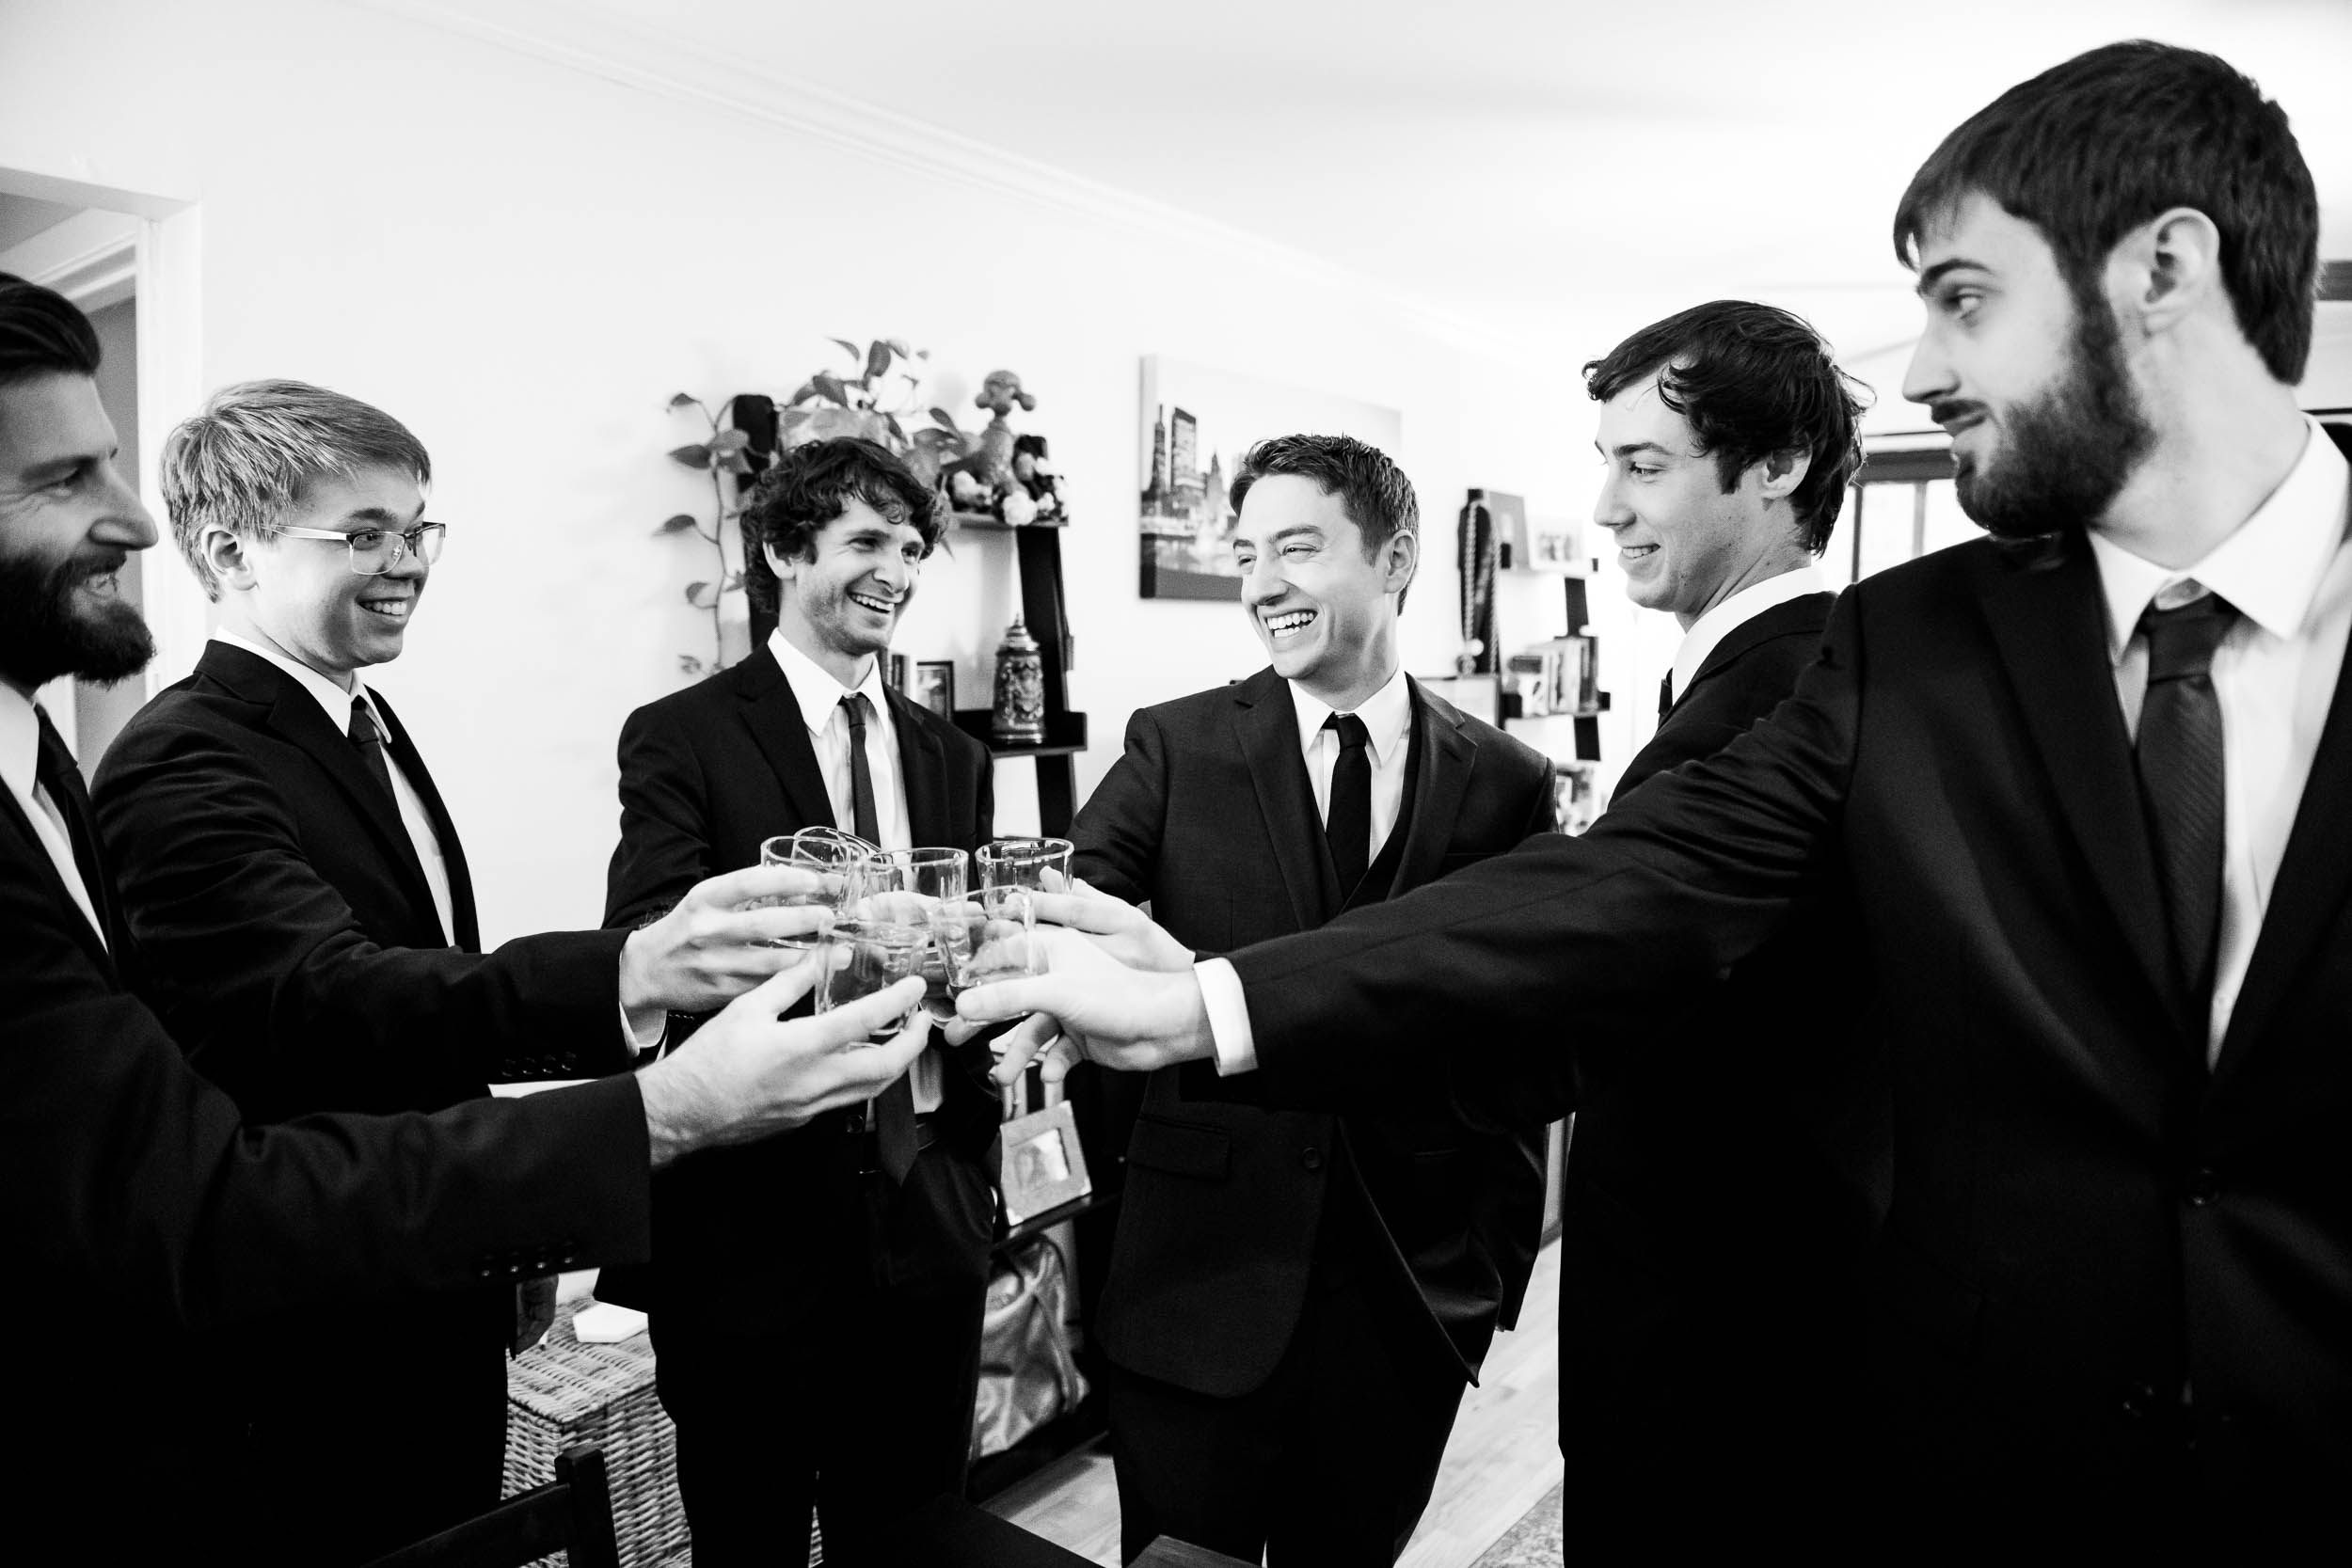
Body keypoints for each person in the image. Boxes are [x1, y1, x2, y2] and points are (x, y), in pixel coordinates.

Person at [965, 41, 2350, 1532]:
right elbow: (1634, 887)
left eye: (1964, 298)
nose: (1926, 370)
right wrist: (1203, 1000)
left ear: (2166, 269)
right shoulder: (1921, 640)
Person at [0, 272, 929, 1558]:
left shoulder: (364, 720)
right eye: (364, 533)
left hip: (435, 1274)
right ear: (229, 552)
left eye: (419, 530)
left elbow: (418, 1004)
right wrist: (640, 982)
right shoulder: (181, 759)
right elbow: (337, 995)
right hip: (318, 1329)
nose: (404, 567)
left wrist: (512, 1242)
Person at [1066, 434, 1554, 1564]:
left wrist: (1486, 1270)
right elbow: (1076, 920)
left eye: (1297, 546)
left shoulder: (1505, 780)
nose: (1261, 585)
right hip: (1199, 1278)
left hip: (1405, 1296)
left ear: (1394, 559)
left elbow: (1528, 1031)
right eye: (1246, 555)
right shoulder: (1177, 744)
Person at [603, 436, 999, 1567]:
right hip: (751, 1226)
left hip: (929, 1203)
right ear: (781, 548)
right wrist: (849, 930)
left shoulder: (953, 754)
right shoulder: (680, 734)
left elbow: (968, 960)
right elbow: (648, 942)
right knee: (751, 1539)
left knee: (918, 1534)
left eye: (912, 547)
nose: (898, 569)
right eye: (867, 540)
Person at [1560, 301, 1881, 1536]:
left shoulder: (1788, 695)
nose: (1606, 508)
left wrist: (1221, 1002)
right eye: (1607, 464)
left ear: (1779, 467)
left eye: (1645, 465)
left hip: (1728, 1340)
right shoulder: (1770, 669)